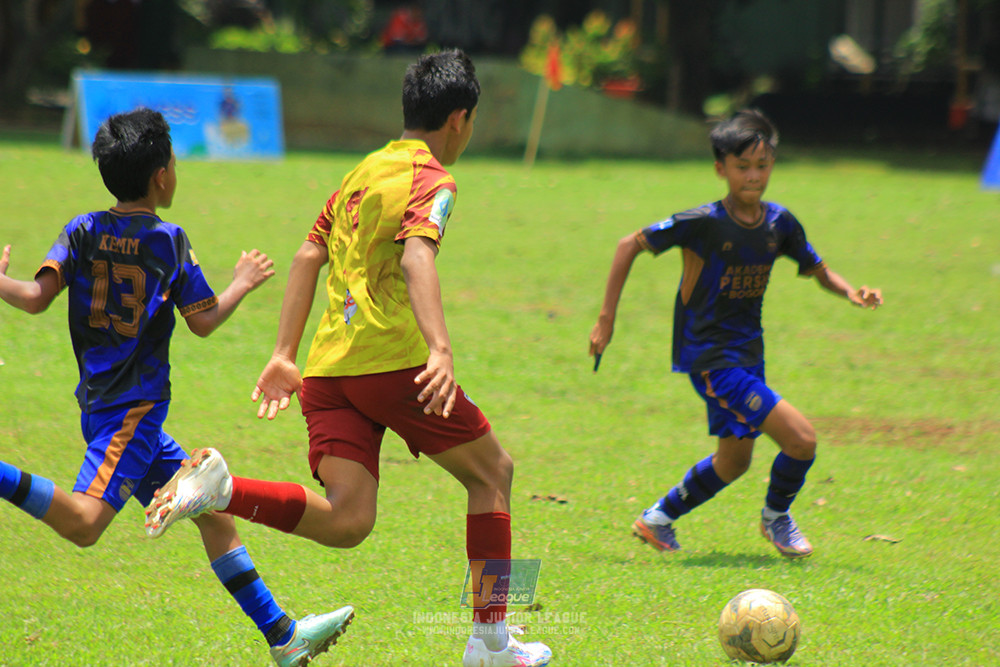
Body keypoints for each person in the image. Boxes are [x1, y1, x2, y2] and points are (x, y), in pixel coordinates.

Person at [144, 50, 553, 667]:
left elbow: (309, 254)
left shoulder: (362, 172)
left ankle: (223, 491)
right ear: (460, 119)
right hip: (391, 362)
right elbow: (418, 256)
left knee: (348, 520)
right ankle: (491, 643)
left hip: (330, 371)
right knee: (493, 473)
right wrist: (439, 348)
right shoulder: (434, 179)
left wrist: (284, 353)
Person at [0, 108, 353, 667]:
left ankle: (283, 636)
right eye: (173, 162)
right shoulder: (168, 241)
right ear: (162, 175)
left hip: (105, 407)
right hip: (130, 415)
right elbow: (204, 319)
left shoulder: (81, 229)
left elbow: (36, 297)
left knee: (211, 510)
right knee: (87, 524)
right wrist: (240, 283)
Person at [588, 109, 883, 559]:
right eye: (742, 166)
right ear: (720, 169)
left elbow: (818, 269)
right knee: (801, 440)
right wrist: (606, 318)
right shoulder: (702, 221)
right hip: (711, 360)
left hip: (748, 356)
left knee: (734, 461)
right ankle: (776, 519)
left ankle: (657, 520)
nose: (753, 176)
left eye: (762, 166)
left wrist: (851, 292)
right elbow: (630, 244)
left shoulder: (779, 223)